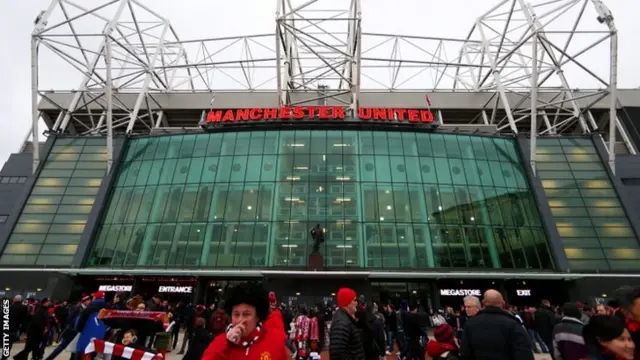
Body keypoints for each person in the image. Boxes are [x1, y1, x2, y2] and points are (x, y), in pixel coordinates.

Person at [202, 282, 287, 360]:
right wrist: (226, 343)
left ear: (257, 317)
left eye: (246, 314)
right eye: (236, 314)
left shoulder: (273, 343)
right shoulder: (220, 343)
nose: (240, 320)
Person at [459, 289, 533, 360]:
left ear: (483, 303)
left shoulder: (470, 324)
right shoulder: (513, 324)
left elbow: (465, 353)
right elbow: (524, 353)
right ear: (503, 303)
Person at [329, 287, 365, 360]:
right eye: (354, 300)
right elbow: (337, 353)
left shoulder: (345, 319)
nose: (357, 303)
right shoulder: (342, 323)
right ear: (347, 303)